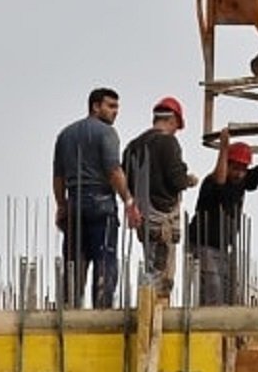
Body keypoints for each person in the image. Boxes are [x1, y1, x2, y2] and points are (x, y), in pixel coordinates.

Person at [53, 87, 142, 309]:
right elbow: (114, 170)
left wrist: (61, 206)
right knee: (104, 262)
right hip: (101, 203)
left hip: (74, 203)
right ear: (95, 106)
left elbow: (58, 177)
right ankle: (102, 313)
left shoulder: (65, 135)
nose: (115, 112)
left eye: (117, 107)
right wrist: (129, 201)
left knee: (74, 262)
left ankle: (70, 310)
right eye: (110, 106)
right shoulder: (106, 133)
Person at [187, 127, 258, 306]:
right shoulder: (211, 182)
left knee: (228, 292)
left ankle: (222, 321)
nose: (239, 173)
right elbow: (219, 184)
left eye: (243, 169)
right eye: (235, 168)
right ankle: (212, 320)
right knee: (212, 289)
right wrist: (223, 149)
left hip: (223, 247)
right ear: (227, 163)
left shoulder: (241, 181)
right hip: (203, 245)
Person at [123, 96, 199, 301]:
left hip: (143, 217)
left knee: (151, 268)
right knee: (163, 275)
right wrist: (188, 179)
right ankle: (157, 311)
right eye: (176, 126)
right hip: (163, 219)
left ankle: (149, 305)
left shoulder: (133, 146)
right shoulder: (168, 142)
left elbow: (125, 181)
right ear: (172, 120)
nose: (176, 132)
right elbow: (176, 180)